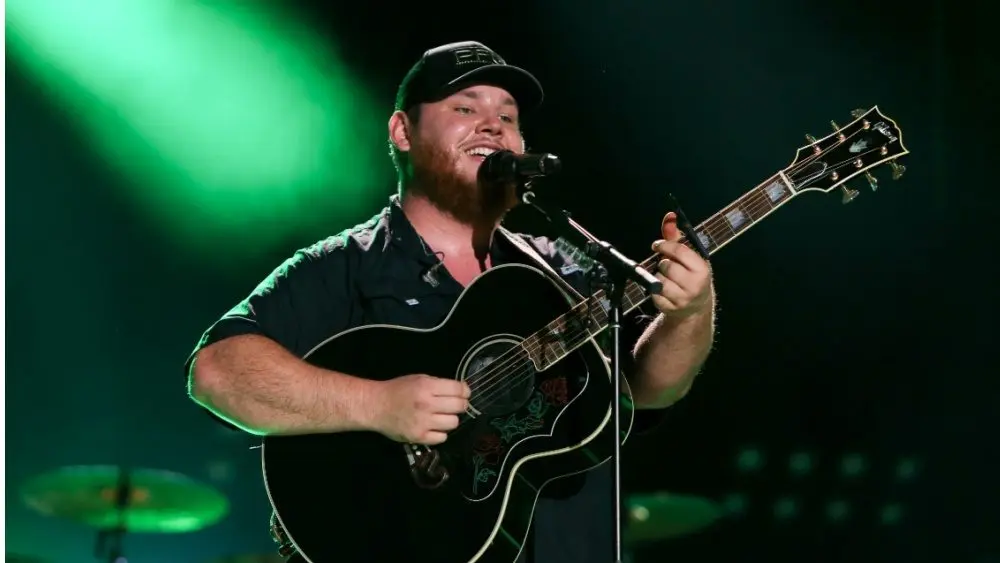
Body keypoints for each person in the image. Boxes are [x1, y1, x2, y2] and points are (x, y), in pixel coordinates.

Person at [185, 41, 715, 563]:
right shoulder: (347, 264)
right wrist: (376, 404)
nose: (493, 127)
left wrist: (689, 312)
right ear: (403, 131)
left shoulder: (563, 269)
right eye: (465, 109)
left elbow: (648, 389)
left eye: (507, 117)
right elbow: (215, 372)